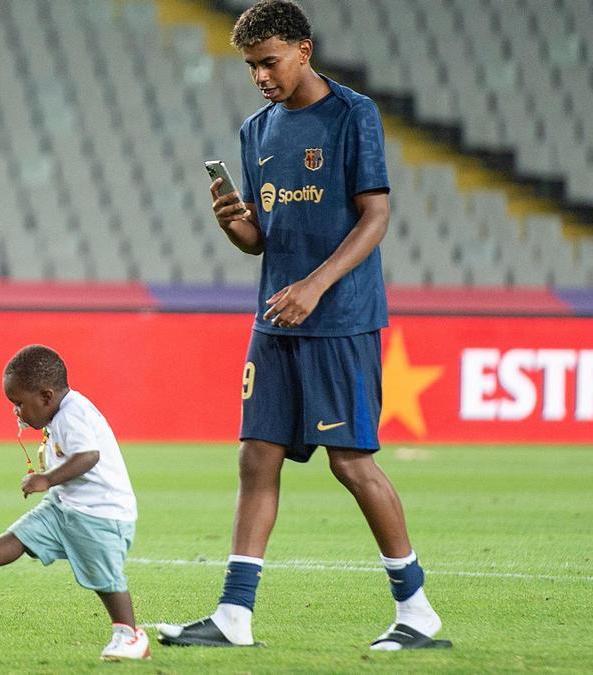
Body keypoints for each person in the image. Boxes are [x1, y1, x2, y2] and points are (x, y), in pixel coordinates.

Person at [157, 0, 450, 651]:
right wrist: (237, 228)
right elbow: (264, 237)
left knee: (352, 461)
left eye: (270, 62)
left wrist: (316, 286)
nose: (261, 76)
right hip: (276, 320)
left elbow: (375, 215)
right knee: (256, 457)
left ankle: (418, 610)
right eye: (250, 67)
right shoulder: (256, 131)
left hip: (340, 318)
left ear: (304, 50)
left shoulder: (353, 115)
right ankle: (234, 614)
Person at [0, 344, 149, 661]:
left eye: (19, 403)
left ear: (46, 396)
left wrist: (46, 479)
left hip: (100, 514)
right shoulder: (59, 412)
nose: (16, 411)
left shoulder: (72, 414)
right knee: (24, 535)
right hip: (67, 507)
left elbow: (89, 456)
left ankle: (131, 636)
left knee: (104, 578)